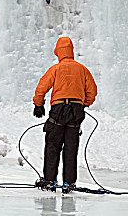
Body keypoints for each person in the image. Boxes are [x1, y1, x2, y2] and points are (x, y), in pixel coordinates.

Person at [33, 37, 97, 193]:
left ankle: (49, 181)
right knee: (71, 147)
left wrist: (38, 104)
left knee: (53, 145)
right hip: (76, 110)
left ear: (58, 52)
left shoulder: (56, 69)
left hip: (59, 109)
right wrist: (84, 104)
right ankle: (69, 183)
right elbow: (92, 91)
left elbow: (42, 87)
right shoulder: (82, 70)